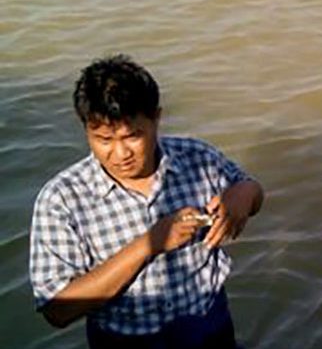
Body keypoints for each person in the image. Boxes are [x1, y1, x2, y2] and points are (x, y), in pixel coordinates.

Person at [29, 55, 265, 349]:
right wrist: (149, 244)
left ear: (157, 117)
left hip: (210, 326)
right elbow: (57, 310)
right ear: (86, 128)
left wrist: (243, 193)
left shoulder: (199, 158)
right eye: (103, 139)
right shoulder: (61, 200)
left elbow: (252, 193)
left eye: (133, 136)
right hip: (125, 341)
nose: (120, 153)